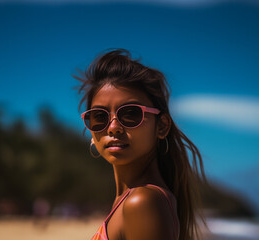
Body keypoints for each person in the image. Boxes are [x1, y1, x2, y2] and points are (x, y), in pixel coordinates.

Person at [75, 49, 206, 240]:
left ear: (161, 126)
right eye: (99, 117)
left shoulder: (142, 202)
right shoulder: (129, 200)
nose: (113, 128)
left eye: (130, 114)